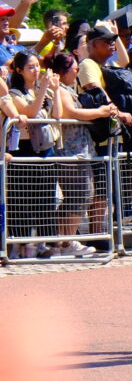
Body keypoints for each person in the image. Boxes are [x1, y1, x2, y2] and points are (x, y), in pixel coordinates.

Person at [51, 52, 119, 257]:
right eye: (74, 69)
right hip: (71, 151)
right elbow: (72, 113)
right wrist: (101, 112)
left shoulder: (70, 89)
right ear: (63, 71)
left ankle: (64, 240)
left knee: (82, 195)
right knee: (80, 194)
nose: (77, 73)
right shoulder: (62, 91)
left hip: (80, 149)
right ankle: (67, 241)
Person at [7, 51, 62, 258]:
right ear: (19, 71)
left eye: (36, 66)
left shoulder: (43, 90)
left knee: (46, 197)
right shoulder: (15, 93)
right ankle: (19, 243)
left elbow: (57, 115)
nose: (36, 70)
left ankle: (42, 242)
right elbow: (30, 112)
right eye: (30, 67)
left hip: (46, 147)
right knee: (23, 197)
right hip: (24, 148)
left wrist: (54, 90)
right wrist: (43, 90)